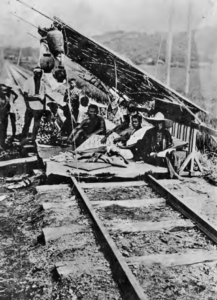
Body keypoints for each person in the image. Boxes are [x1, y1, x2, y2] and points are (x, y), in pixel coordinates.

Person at [135, 112, 186, 178]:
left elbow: (170, 145)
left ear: (163, 124)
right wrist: (149, 153)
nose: (159, 125)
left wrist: (168, 150)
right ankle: (173, 174)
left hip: (163, 155)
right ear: (154, 123)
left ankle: (174, 172)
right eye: (157, 123)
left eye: (160, 123)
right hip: (151, 156)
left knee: (170, 156)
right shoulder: (149, 133)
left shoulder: (166, 134)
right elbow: (144, 145)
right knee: (162, 158)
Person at [22, 67, 46, 142]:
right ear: (34, 73)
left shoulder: (42, 83)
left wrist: (44, 108)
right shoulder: (28, 82)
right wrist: (28, 106)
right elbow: (25, 96)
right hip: (30, 107)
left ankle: (33, 139)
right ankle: (23, 138)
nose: (39, 75)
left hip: (39, 108)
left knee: (37, 125)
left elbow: (44, 96)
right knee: (27, 123)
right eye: (38, 73)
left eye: (40, 73)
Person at [0, 84, 10, 149]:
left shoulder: (6, 98)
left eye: (6, 90)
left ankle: (2, 143)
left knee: (4, 131)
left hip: (4, 117)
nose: (5, 92)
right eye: (3, 90)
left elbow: (8, 106)